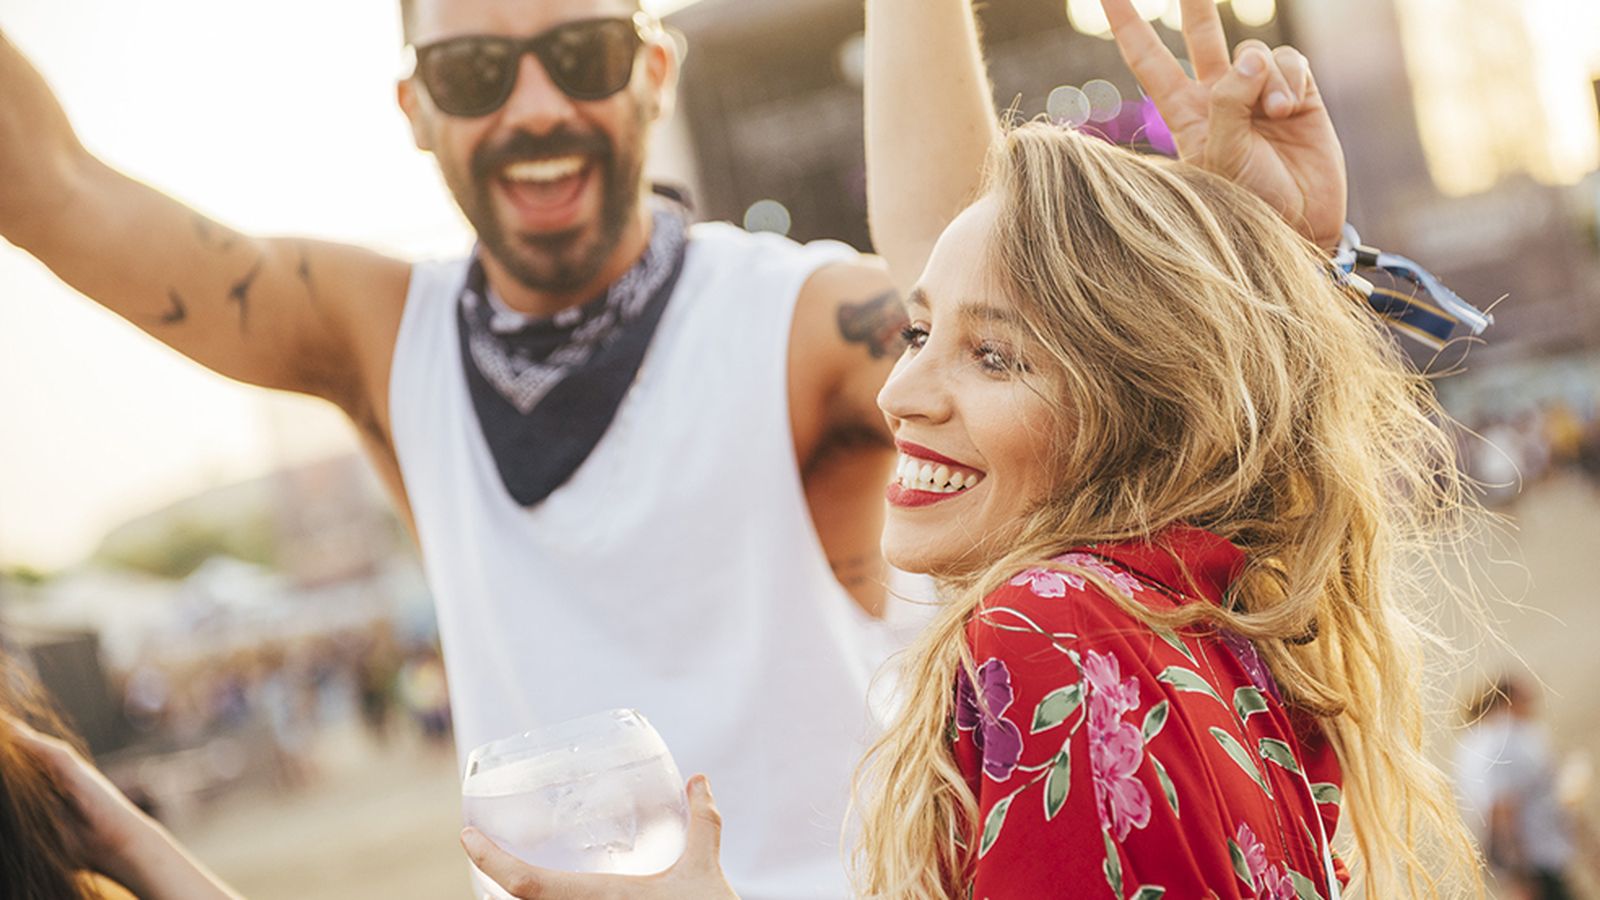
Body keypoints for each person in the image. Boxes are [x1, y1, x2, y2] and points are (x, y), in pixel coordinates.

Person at [0, 0, 1344, 895]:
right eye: (474, 73)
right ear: (413, 109)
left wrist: (1265, 260)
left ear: (654, 70)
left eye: (580, 54)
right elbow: (51, 187)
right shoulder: (376, 331)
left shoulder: (794, 320)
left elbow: (971, 286)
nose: (533, 105)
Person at [455, 2, 1487, 898]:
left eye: (992, 356)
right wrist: (1272, 259)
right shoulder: (1222, 618)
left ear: (1139, 401)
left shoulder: (1053, 628)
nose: (898, 393)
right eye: (917, 333)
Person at [1455, 675, 1581, 900]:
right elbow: (1501, 810)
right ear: (1509, 700)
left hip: (1533, 856)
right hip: (1533, 857)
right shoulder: (1503, 742)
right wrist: (1518, 873)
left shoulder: (1477, 740)